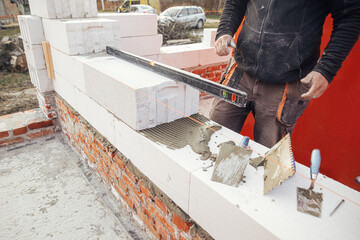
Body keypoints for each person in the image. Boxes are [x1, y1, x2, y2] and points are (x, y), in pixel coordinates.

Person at [210, 0, 360, 148]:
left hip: (287, 82)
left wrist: (326, 70)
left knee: (269, 160)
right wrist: (224, 30)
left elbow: (351, 16)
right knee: (212, 139)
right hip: (240, 72)